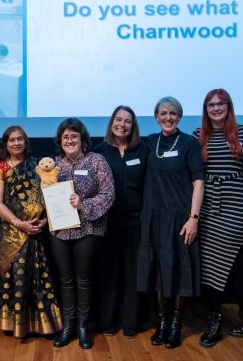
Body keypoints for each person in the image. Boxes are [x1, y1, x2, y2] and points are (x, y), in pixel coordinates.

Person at [193, 89, 243, 347]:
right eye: (211, 104)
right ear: (205, 108)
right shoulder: (198, 136)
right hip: (208, 206)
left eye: (221, 104)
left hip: (236, 205)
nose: (216, 108)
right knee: (209, 266)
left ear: (229, 106)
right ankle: (219, 319)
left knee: (231, 264)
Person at [137, 96, 205, 349]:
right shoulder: (148, 143)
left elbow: (199, 181)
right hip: (153, 216)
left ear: (179, 117)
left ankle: (176, 324)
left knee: (178, 271)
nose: (168, 118)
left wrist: (193, 218)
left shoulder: (189, 143)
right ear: (156, 117)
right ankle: (163, 323)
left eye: (173, 114)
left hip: (180, 218)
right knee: (158, 271)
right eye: (163, 113)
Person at [0, 125, 62, 339]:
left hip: (36, 230)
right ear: (6, 144)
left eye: (20, 139)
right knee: (17, 274)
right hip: (11, 232)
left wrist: (44, 221)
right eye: (12, 140)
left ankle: (41, 325)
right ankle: (15, 325)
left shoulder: (37, 165)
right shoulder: (0, 167)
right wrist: (18, 223)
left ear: (25, 142)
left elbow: (49, 195)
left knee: (37, 275)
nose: (16, 143)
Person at [50, 118, 115, 349]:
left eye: (73, 136)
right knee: (65, 280)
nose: (69, 140)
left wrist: (83, 204)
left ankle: (83, 327)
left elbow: (108, 194)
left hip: (88, 228)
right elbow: (44, 196)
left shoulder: (97, 161)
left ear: (82, 139)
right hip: (60, 231)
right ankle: (68, 327)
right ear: (60, 141)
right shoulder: (54, 165)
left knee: (84, 279)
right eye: (65, 137)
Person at [92, 106, 150, 338]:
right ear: (111, 122)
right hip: (107, 224)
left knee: (133, 274)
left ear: (133, 125)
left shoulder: (144, 151)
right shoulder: (99, 152)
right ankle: (107, 321)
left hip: (137, 222)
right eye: (118, 119)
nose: (122, 125)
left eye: (127, 121)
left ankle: (131, 323)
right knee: (109, 273)